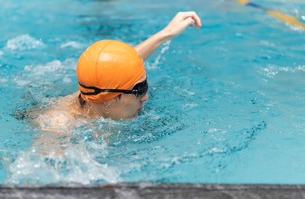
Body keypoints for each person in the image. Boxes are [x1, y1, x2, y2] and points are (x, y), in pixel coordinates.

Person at [31, 11, 202, 135]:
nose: (145, 97)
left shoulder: (95, 91)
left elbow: (121, 64)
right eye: (139, 90)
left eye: (145, 86)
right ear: (108, 97)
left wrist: (166, 34)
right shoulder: (59, 125)